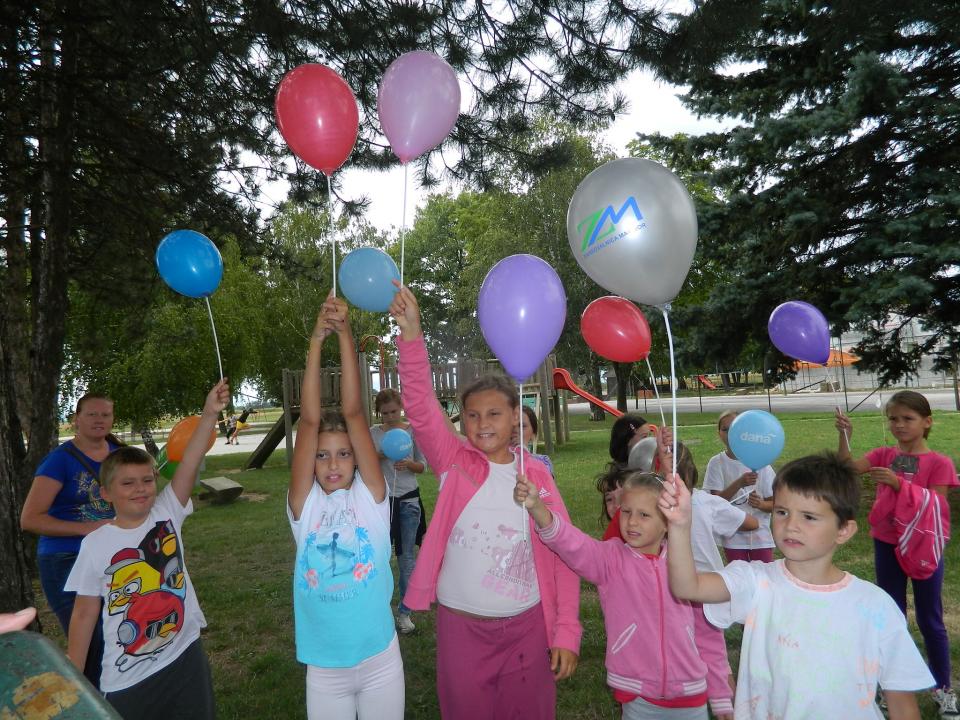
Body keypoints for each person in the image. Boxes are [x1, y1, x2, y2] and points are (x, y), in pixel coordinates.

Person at [389, 282, 581, 720]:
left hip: (528, 629)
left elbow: (565, 555)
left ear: (515, 417)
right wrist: (411, 334)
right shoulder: (453, 462)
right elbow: (419, 405)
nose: (482, 423)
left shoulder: (537, 477)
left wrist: (566, 631)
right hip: (461, 627)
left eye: (494, 413)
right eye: (472, 415)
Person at [659, 452, 935, 719]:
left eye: (809, 516)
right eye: (782, 512)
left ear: (844, 530)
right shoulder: (755, 582)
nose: (791, 525)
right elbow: (688, 587)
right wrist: (680, 526)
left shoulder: (875, 605)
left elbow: (902, 705)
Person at [64, 379, 229, 720]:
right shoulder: (95, 544)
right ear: (106, 493)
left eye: (147, 480)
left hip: (185, 656)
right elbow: (83, 614)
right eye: (127, 483)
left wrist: (209, 413)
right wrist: (73, 677)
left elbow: (190, 460)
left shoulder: (167, 512)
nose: (140, 489)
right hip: (128, 677)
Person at [515, 468, 709, 719]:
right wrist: (538, 508)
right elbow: (571, 543)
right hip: (638, 695)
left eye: (644, 514)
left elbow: (707, 628)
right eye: (626, 512)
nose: (632, 521)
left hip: (691, 694)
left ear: (667, 522)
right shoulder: (610, 559)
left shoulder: (682, 565)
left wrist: (720, 685)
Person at [288, 296, 402, 720]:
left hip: (380, 658)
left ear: (357, 458)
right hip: (324, 668)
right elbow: (309, 421)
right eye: (321, 456)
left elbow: (354, 412)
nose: (333, 464)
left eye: (343, 454)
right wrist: (316, 341)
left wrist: (345, 333)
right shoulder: (304, 506)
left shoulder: (371, 497)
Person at [837, 391, 959, 716]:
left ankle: (943, 688)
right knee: (891, 616)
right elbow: (847, 468)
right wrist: (845, 436)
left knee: (931, 618)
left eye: (908, 418)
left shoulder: (940, 463)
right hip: (887, 543)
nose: (899, 425)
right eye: (893, 419)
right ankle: (891, 687)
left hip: (923, 547)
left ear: (927, 422)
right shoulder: (884, 454)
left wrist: (899, 485)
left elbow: (937, 504)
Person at [21, 393, 122, 686]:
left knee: (118, 636)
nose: (99, 420)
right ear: (76, 419)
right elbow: (30, 519)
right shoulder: (59, 461)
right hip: (65, 559)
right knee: (92, 645)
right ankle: (91, 702)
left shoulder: (119, 453)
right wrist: (87, 528)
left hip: (112, 556)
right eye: (91, 414)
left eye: (105, 414)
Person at [674, 440, 758, 719]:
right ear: (691, 473)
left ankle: (728, 708)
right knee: (712, 655)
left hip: (705, 590)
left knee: (707, 653)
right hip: (699, 589)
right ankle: (725, 706)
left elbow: (751, 523)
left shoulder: (660, 503)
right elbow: (751, 522)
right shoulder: (706, 502)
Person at [369, 387, 427, 635]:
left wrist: (410, 464)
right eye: (385, 413)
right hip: (381, 503)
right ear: (379, 413)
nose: (390, 417)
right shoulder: (373, 433)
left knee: (406, 559)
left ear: (401, 408)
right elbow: (363, 463)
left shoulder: (412, 431)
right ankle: (378, 612)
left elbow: (423, 466)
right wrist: (379, 456)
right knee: (378, 559)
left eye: (394, 411)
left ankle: (404, 613)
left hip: (409, 502)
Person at [702, 410, 775, 562]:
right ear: (719, 433)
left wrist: (761, 504)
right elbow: (714, 503)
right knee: (738, 574)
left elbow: (776, 504)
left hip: (761, 537)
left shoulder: (761, 462)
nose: (730, 434)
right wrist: (739, 483)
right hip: (733, 537)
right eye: (725, 429)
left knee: (763, 574)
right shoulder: (717, 463)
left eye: (735, 428)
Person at [513, 405, 553, 474]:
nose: (515, 430)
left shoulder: (542, 462)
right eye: (511, 426)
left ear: (533, 434)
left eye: (522, 426)